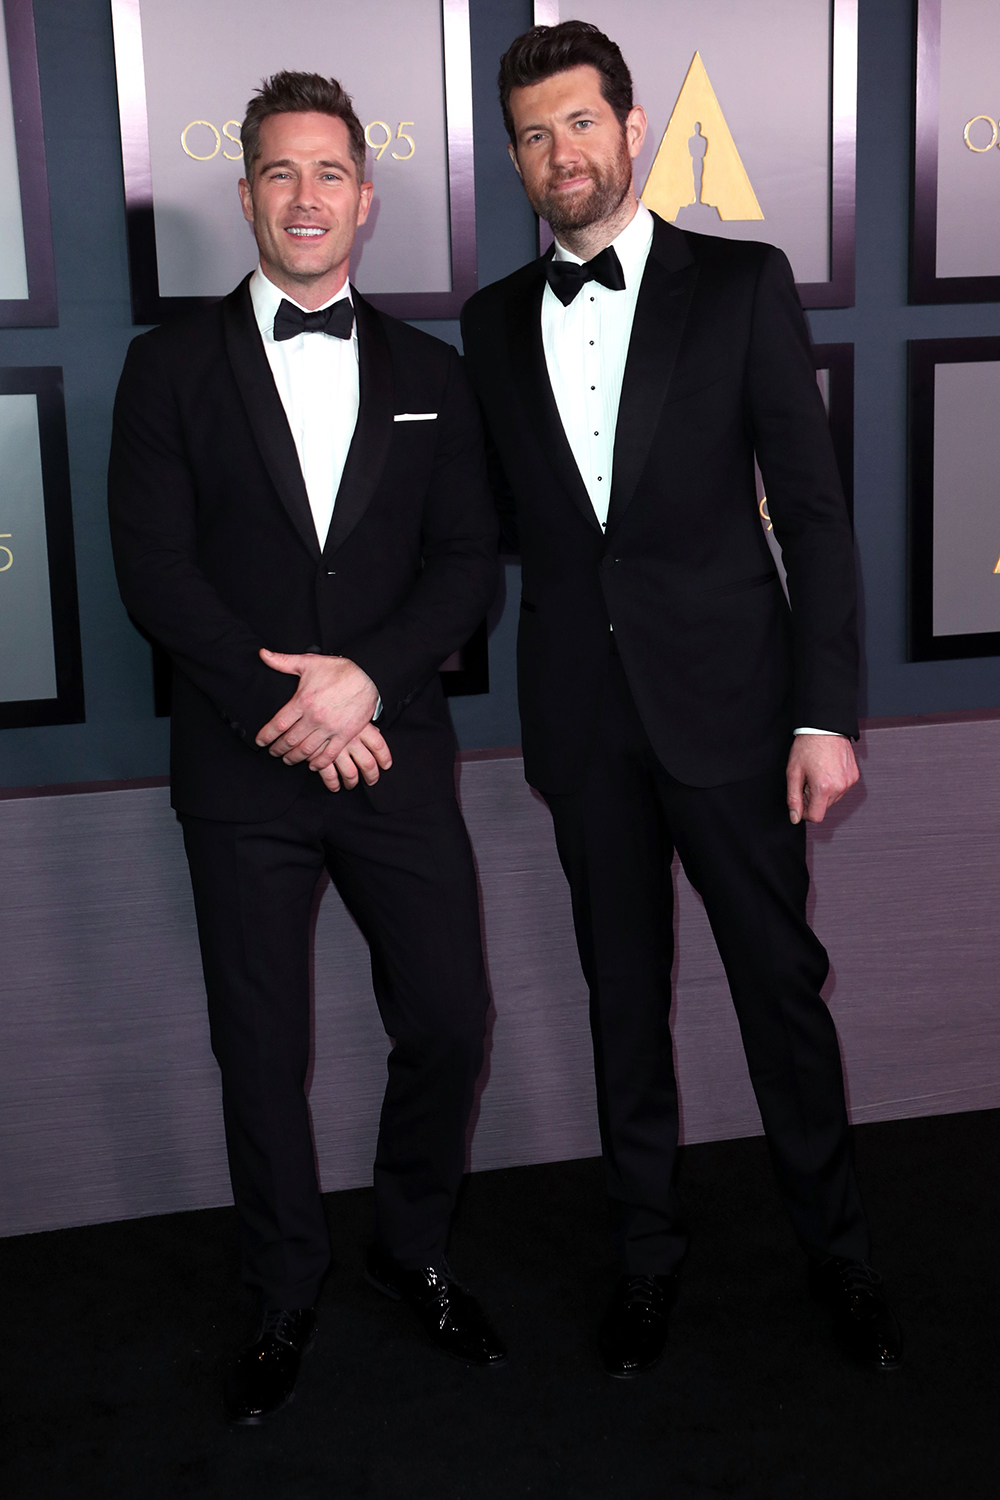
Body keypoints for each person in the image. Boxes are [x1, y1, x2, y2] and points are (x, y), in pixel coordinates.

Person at [460, 22, 901, 1379]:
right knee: (619, 1001)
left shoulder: (742, 285)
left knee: (781, 985)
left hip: (735, 711)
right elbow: (472, 534)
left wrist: (827, 713)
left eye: (581, 123)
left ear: (632, 127)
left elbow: (816, 517)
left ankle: (837, 1253)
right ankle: (646, 1259)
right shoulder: (487, 327)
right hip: (586, 723)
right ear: (516, 158)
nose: (561, 154)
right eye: (535, 134)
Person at [109, 71, 505, 1425]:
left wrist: (366, 689)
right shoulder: (164, 367)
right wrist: (285, 713)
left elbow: (464, 568)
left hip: (394, 754)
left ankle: (414, 1245)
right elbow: (155, 572)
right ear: (246, 196)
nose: (306, 197)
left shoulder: (436, 377)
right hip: (241, 768)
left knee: (452, 1018)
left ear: (367, 194)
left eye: (329, 171)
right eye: (280, 173)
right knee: (261, 1049)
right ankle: (283, 1286)